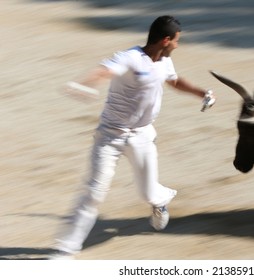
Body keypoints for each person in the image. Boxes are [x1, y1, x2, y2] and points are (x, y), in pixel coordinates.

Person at [50, 15, 216, 259]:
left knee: (148, 192)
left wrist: (202, 93)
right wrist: (85, 84)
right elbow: (104, 70)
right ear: (166, 40)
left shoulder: (164, 61)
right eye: (177, 41)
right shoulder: (129, 57)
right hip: (109, 136)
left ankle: (160, 201)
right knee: (93, 192)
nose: (178, 45)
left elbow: (175, 81)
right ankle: (65, 250)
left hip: (142, 136)